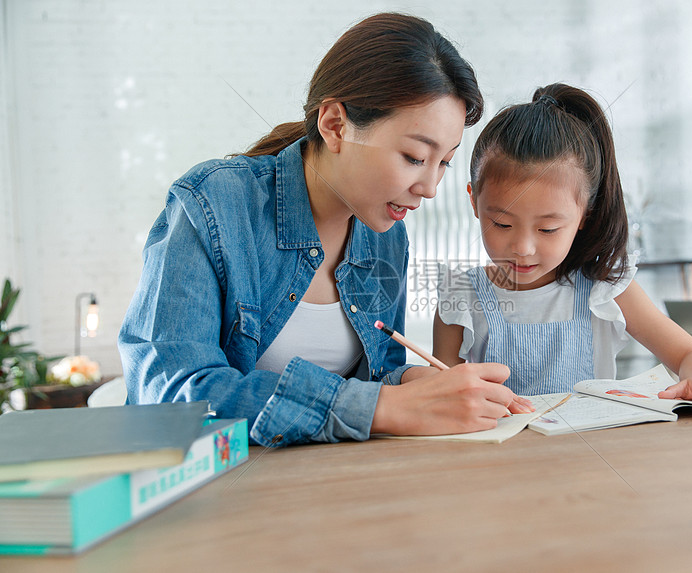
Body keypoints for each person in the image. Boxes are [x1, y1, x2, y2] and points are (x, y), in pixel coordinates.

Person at [119, 13, 535, 448]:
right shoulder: (215, 205)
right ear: (335, 125)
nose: (430, 188)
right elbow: (170, 396)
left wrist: (428, 385)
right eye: (414, 157)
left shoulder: (385, 233)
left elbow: (375, 370)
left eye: (444, 162)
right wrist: (387, 407)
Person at [431, 83, 692, 419]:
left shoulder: (605, 288)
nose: (523, 248)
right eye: (502, 224)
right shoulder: (460, 296)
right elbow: (444, 396)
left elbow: (691, 354)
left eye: (548, 229)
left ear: (584, 216)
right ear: (474, 201)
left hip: (595, 461)